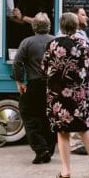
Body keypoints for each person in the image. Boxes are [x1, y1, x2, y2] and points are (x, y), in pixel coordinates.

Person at [42, 12, 89, 178]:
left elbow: (44, 67)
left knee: (62, 132)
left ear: (61, 26)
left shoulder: (52, 44)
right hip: (79, 94)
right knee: (84, 128)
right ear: (76, 26)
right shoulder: (84, 44)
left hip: (58, 94)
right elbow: (88, 65)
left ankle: (66, 171)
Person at [11, 13, 56, 164]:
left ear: (33, 26)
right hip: (52, 85)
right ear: (49, 26)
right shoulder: (56, 41)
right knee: (48, 117)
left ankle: (40, 149)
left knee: (27, 114)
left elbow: (17, 62)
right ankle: (49, 148)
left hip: (35, 84)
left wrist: (19, 81)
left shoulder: (27, 42)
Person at [67, 6, 89, 156]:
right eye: (83, 15)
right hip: (75, 83)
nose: (87, 18)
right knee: (75, 110)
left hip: (84, 82)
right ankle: (74, 143)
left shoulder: (83, 33)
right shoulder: (67, 35)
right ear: (74, 17)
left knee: (81, 111)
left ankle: (78, 141)